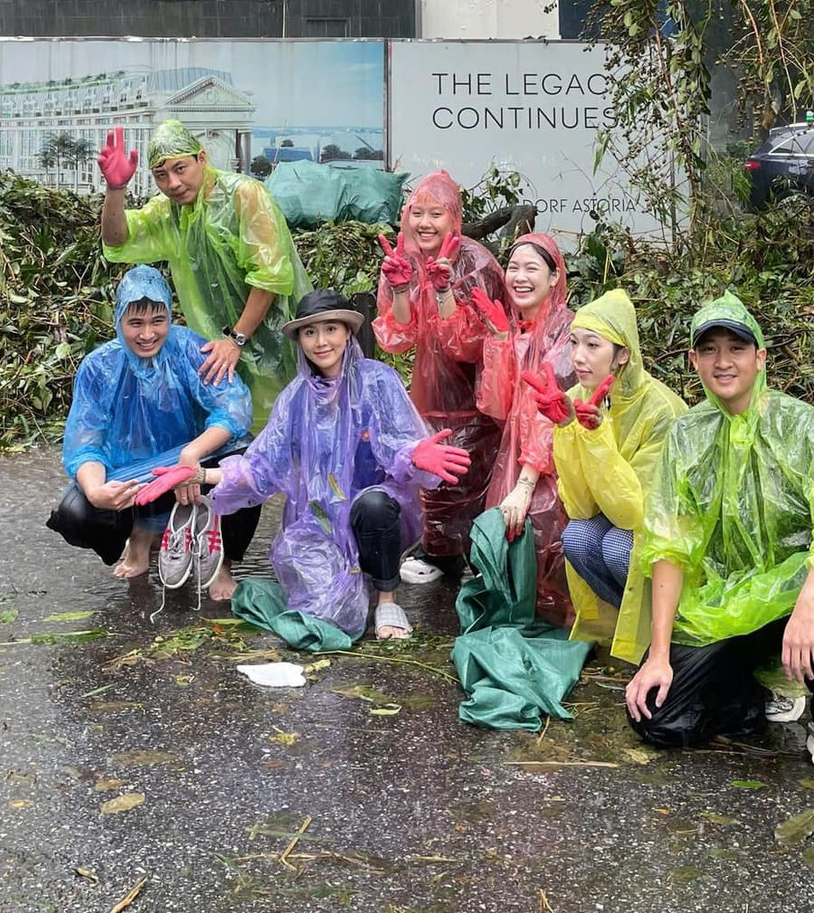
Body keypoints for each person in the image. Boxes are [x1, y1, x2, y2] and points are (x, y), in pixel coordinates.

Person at [624, 294, 814, 795]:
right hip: (728, 605)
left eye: (736, 348)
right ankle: (760, 688)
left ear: (760, 357)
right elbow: (669, 546)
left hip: (804, 603)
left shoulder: (801, 426)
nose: (723, 361)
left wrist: (808, 601)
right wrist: (658, 654)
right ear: (693, 360)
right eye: (710, 350)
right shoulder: (687, 437)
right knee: (657, 717)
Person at [198, 288, 471, 640]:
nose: (321, 342)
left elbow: (398, 441)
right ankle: (350, 574)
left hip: (376, 517)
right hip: (319, 523)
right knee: (332, 614)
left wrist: (412, 453)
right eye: (310, 332)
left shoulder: (378, 381)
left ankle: (387, 598)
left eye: (331, 329)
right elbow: (261, 466)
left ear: (347, 332)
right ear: (300, 341)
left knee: (374, 505)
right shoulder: (295, 398)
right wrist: (200, 473)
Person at [46, 266, 257, 591]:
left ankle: (222, 562)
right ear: (119, 321)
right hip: (133, 480)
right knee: (77, 513)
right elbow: (85, 445)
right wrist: (96, 492)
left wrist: (191, 454)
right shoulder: (99, 368)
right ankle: (140, 536)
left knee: (247, 463)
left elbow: (233, 409)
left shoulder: (190, 349)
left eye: (157, 321)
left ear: (170, 316)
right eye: (135, 323)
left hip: (192, 470)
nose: (147, 334)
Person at [98, 119, 309, 427]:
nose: (173, 183)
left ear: (201, 158)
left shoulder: (245, 195)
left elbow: (269, 277)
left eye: (180, 168)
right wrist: (115, 189)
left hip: (271, 338)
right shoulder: (169, 210)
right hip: (218, 346)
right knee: (233, 425)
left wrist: (236, 340)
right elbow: (117, 240)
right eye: (161, 175)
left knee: (282, 421)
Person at [525, 287, 686, 662]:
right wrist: (567, 430)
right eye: (574, 343)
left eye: (592, 345)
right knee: (576, 537)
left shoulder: (660, 409)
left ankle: (668, 632)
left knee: (616, 547)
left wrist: (596, 438)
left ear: (623, 354)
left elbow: (634, 512)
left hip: (668, 526)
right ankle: (635, 630)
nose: (578, 356)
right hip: (618, 515)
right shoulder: (579, 396)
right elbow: (580, 508)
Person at [373, 170, 509, 578]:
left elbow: (470, 345)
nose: (424, 223)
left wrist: (445, 291)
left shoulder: (476, 263)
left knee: (473, 473)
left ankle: (481, 557)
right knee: (433, 471)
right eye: (417, 213)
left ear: (455, 219)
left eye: (436, 214)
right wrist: (400, 289)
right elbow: (399, 336)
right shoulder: (405, 259)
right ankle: (440, 552)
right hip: (430, 388)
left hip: (475, 393)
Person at [471, 231, 575, 623]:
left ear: (554, 277)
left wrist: (527, 483)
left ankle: (556, 617)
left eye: (532, 268)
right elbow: (497, 406)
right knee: (507, 539)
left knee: (544, 531)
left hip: (552, 462)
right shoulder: (512, 326)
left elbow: (548, 413)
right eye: (513, 268)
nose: (519, 277)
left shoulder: (567, 332)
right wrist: (500, 340)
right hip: (514, 458)